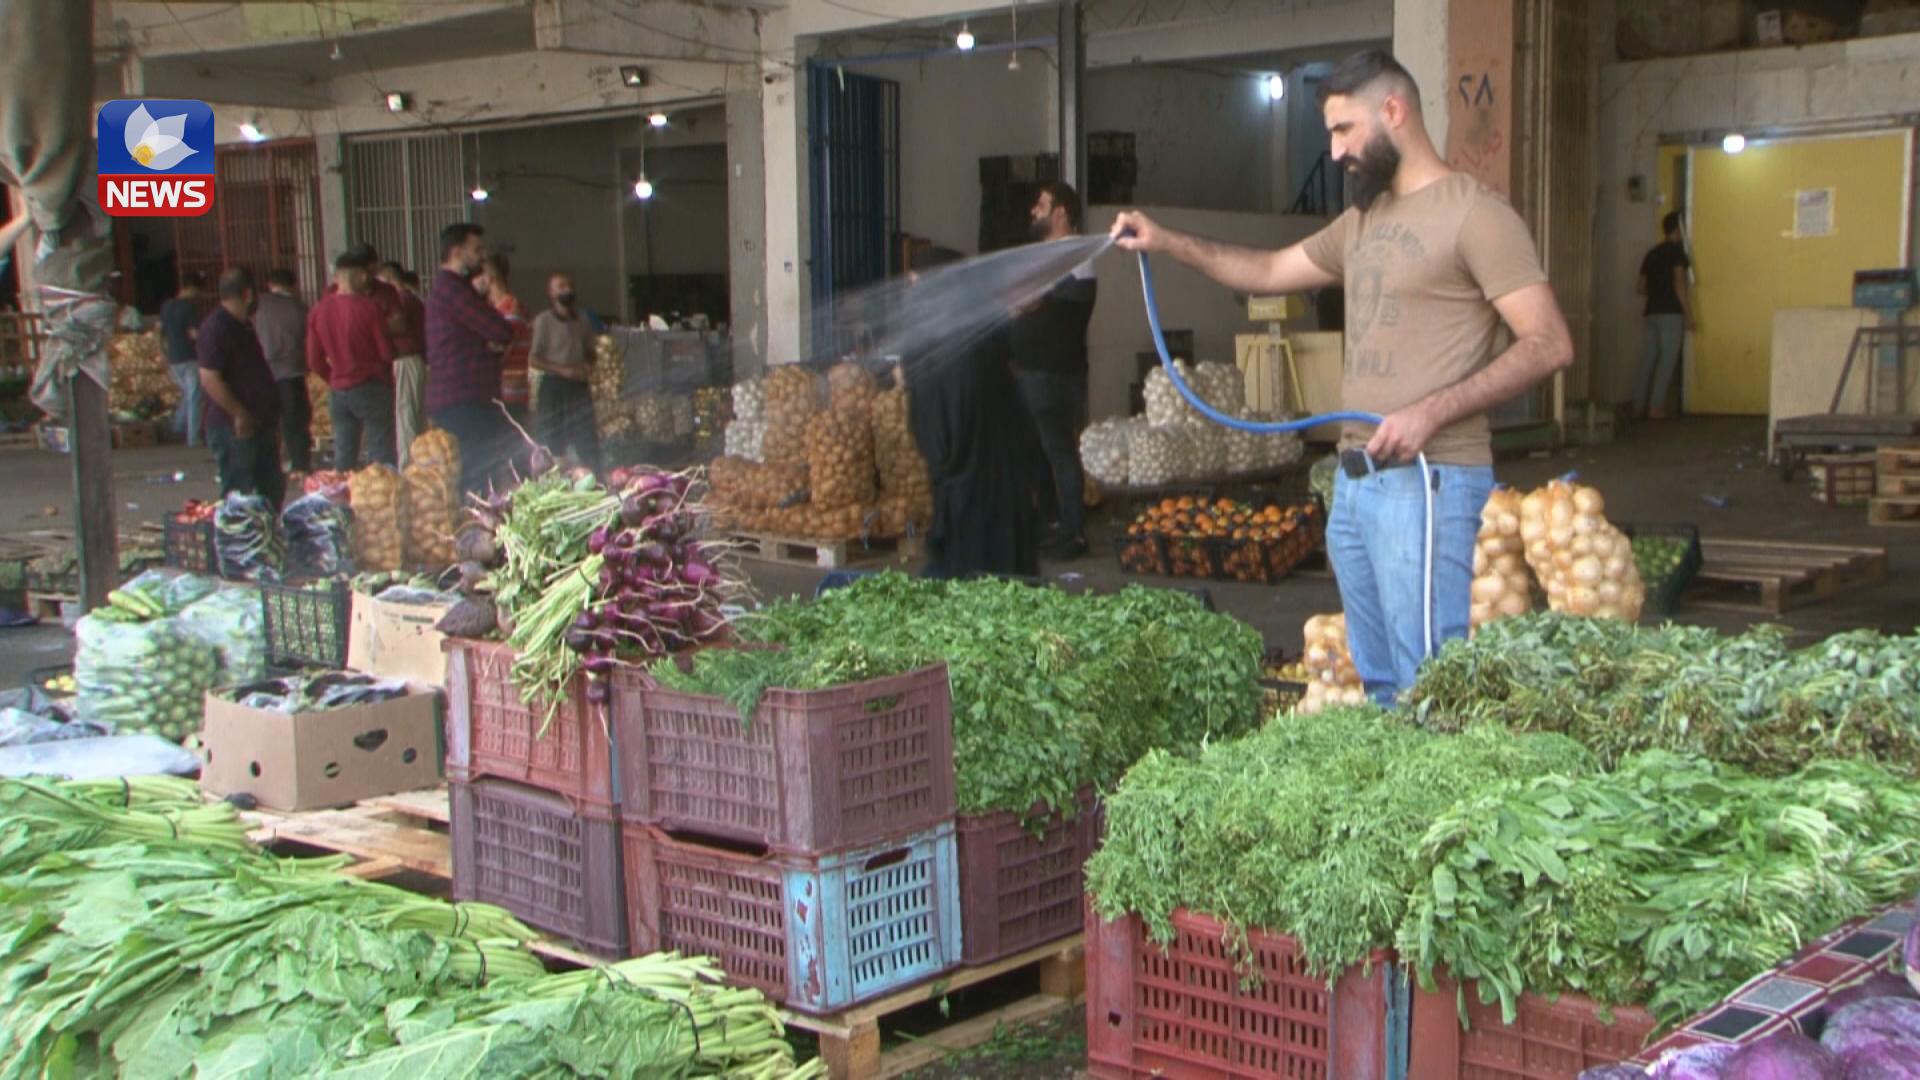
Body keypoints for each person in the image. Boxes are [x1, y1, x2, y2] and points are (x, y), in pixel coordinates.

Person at [1113, 48, 1573, 701]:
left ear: (1394, 111)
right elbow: (1269, 272)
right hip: (1355, 482)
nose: (1334, 153)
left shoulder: (1477, 215)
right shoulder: (1362, 220)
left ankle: (1436, 799)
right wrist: (1167, 241)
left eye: (1343, 130)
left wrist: (1431, 412)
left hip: (1429, 479)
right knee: (1383, 682)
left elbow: (1550, 343)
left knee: (1429, 686)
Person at [907, 253, 1041, 580]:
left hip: (965, 516)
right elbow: (1025, 434)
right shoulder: (988, 351)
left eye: (916, 286)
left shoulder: (936, 361)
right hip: (1009, 508)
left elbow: (938, 444)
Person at [1010, 183, 1099, 561]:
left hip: (1053, 375)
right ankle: (1051, 524)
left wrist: (1020, 299)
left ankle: (1072, 532)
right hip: (1036, 373)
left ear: (1061, 212)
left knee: (1059, 451)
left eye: (1042, 205)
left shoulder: (1075, 254)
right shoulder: (1054, 256)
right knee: (1040, 452)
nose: (1034, 211)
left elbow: (1027, 300)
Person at [425, 223, 515, 496]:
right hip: (464, 399)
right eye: (476, 249)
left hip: (463, 397)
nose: (482, 256)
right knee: (476, 475)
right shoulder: (454, 291)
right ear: (456, 252)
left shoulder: (453, 289)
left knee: (474, 472)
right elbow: (501, 330)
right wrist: (491, 343)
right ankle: (474, 532)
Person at [196, 267, 285, 507]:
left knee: (271, 488)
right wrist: (239, 414)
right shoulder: (216, 328)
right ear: (248, 294)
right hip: (234, 427)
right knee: (238, 492)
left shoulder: (243, 326)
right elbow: (210, 378)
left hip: (259, 422)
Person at [307, 251, 397, 468]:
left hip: (339, 391)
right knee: (380, 454)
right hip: (372, 388)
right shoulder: (370, 308)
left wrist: (335, 378)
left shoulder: (319, 310)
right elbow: (386, 353)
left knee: (344, 455)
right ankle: (381, 499)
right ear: (361, 276)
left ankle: (342, 497)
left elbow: (314, 359)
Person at [528, 272, 603, 474]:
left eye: (569, 286)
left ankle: (595, 479)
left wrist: (587, 365)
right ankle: (552, 481)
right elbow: (534, 359)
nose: (567, 290)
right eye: (561, 287)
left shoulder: (583, 320)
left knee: (586, 437)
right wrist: (562, 370)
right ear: (551, 293)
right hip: (553, 387)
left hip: (578, 386)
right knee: (552, 440)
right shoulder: (543, 321)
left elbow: (591, 353)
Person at [1634, 211, 1693, 419]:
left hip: (1651, 312)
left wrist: (1657, 292)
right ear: (1678, 230)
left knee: (1648, 359)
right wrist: (1689, 314)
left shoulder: (1652, 253)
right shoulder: (1677, 253)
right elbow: (1679, 284)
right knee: (1667, 361)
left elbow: (1640, 287)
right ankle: (1656, 407)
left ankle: (1637, 405)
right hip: (1671, 313)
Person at [253, 268, 311, 472]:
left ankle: (270, 463)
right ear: (294, 286)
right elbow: (308, 340)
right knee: (295, 422)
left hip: (263, 373)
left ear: (270, 284)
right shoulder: (300, 308)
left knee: (268, 421)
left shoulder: (258, 306)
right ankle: (299, 465)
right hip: (291, 372)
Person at [376, 260, 429, 464]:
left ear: (389, 279)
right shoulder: (412, 299)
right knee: (414, 415)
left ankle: (408, 465)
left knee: (405, 415)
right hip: (414, 362)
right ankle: (419, 461)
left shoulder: (402, 301)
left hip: (405, 361)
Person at [474, 254, 532, 430]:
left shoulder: (510, 314)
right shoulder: (504, 310)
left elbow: (500, 356)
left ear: (488, 278)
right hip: (511, 393)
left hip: (509, 395)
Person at [160, 271, 208, 448]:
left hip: (173, 356)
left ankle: (176, 427)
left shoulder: (167, 306)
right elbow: (194, 333)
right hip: (189, 356)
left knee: (188, 394)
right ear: (195, 289)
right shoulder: (190, 307)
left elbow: (162, 332)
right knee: (195, 396)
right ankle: (193, 437)